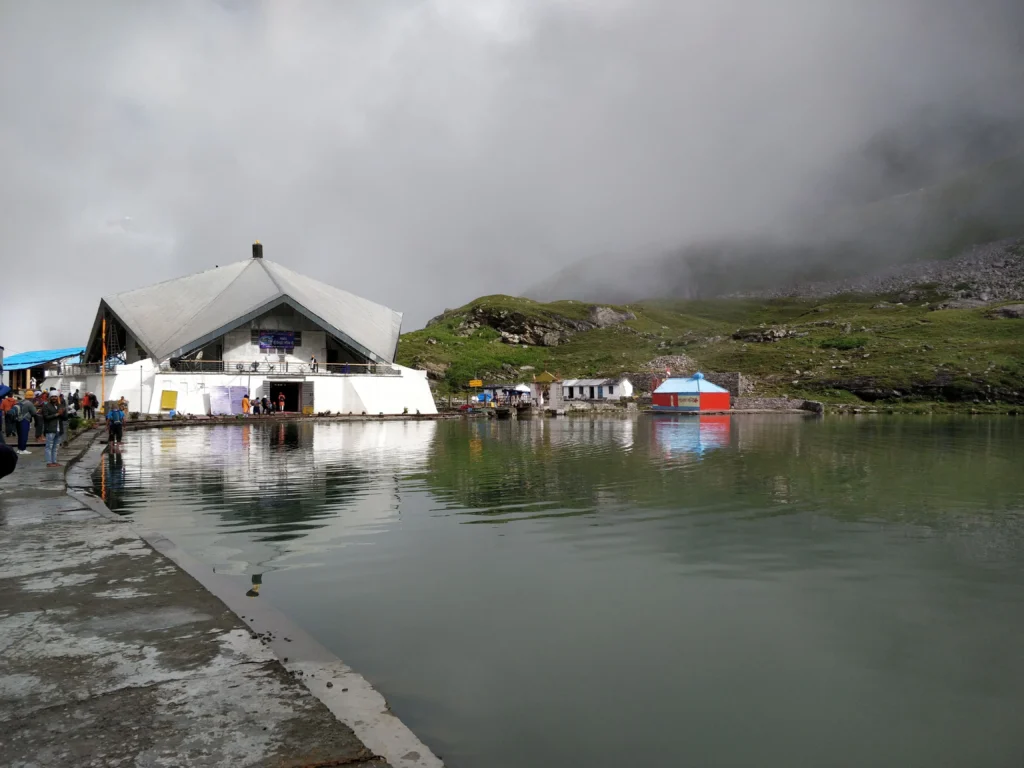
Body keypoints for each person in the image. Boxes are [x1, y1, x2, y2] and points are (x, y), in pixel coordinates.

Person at [42, 390, 65, 467]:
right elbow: (45, 417)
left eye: (55, 396)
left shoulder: (60, 406)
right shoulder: (46, 406)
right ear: (50, 398)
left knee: (56, 447)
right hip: (50, 429)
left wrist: (63, 413)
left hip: (59, 429)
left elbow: (64, 418)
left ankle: (54, 461)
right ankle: (49, 462)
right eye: (52, 397)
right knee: (49, 446)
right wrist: (56, 414)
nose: (54, 398)